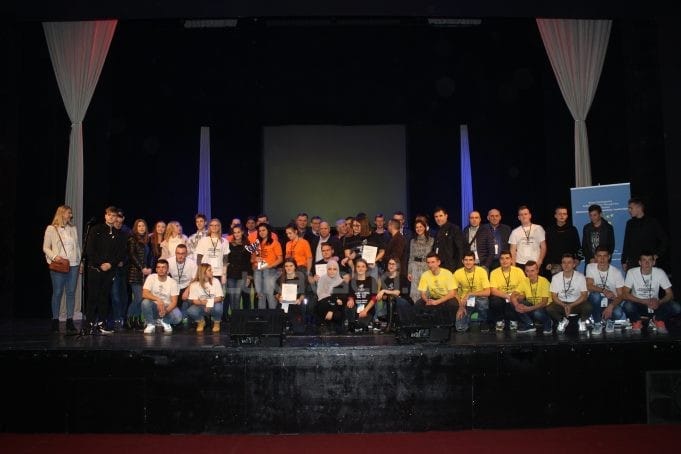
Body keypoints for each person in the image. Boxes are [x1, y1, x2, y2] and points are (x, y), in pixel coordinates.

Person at [83, 206, 127, 335]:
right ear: (105, 216)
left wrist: (110, 264)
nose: (111, 217)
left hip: (109, 270)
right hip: (95, 269)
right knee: (92, 297)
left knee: (104, 297)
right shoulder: (95, 230)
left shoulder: (120, 234)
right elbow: (90, 250)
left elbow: (120, 254)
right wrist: (100, 263)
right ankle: (89, 324)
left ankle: (102, 323)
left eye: (114, 215)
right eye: (109, 215)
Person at [43, 204, 81, 334]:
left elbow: (77, 246)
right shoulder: (51, 229)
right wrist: (54, 257)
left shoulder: (73, 229)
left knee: (71, 292)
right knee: (58, 292)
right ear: (62, 213)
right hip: (59, 265)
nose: (71, 215)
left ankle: (70, 320)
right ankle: (55, 321)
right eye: (69, 213)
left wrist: (80, 262)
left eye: (71, 213)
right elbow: (45, 247)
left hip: (73, 265)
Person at [396, 252, 458, 333]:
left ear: (438, 262)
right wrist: (427, 300)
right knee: (418, 304)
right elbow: (423, 293)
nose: (430, 265)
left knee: (453, 304)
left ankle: (450, 327)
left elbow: (452, 293)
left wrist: (437, 302)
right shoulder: (425, 275)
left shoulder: (447, 273)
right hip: (433, 297)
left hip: (446, 298)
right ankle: (418, 327)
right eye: (428, 262)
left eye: (433, 262)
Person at [622, 252, 680, 334]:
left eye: (649, 260)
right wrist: (643, 301)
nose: (647, 263)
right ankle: (637, 322)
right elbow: (625, 294)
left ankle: (658, 319)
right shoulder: (632, 272)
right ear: (639, 262)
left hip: (655, 305)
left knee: (676, 307)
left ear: (654, 262)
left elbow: (670, 294)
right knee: (627, 305)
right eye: (644, 260)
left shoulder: (660, 272)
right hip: (639, 304)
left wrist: (659, 302)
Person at [621, 197, 669, 273]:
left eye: (631, 208)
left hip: (648, 261)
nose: (629, 210)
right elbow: (626, 243)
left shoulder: (652, 222)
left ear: (639, 207)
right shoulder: (629, 223)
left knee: (650, 280)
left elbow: (664, 240)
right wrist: (623, 261)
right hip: (633, 262)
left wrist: (657, 254)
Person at [585, 246, 626, 335]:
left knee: (618, 312)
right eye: (599, 256)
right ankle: (597, 323)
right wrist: (604, 290)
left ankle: (610, 321)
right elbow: (589, 286)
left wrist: (611, 306)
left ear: (609, 257)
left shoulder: (616, 272)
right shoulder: (590, 267)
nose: (602, 259)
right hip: (595, 301)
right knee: (595, 295)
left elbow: (621, 295)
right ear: (595, 257)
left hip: (610, 301)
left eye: (605, 256)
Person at [547, 253, 589, 334]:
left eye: (569, 262)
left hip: (576, 303)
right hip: (562, 303)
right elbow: (554, 297)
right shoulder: (555, 277)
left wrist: (571, 305)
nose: (566, 265)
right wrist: (564, 305)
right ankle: (562, 321)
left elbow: (584, 296)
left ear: (574, 264)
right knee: (550, 308)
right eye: (564, 262)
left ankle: (582, 321)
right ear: (561, 264)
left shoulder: (580, 277)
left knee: (588, 306)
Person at [510, 261, 553, 334]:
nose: (530, 273)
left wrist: (528, 309)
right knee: (514, 302)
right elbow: (513, 295)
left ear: (537, 270)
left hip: (544, 307)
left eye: (532, 270)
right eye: (527, 271)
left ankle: (548, 321)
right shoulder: (524, 281)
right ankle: (530, 325)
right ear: (525, 272)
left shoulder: (544, 281)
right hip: (532, 306)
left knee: (537, 313)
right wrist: (517, 305)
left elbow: (544, 302)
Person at [141, 258, 183, 334]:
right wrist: (158, 299)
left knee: (178, 317)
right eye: (159, 267)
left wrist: (165, 311)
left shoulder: (173, 282)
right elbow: (144, 294)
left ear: (167, 270)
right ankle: (150, 324)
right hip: (155, 306)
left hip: (167, 307)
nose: (161, 269)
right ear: (156, 269)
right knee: (145, 302)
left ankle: (164, 321)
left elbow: (174, 302)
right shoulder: (151, 277)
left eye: (163, 267)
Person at [126, 218, 154, 330]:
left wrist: (150, 268)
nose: (142, 228)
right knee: (138, 298)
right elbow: (132, 255)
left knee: (142, 299)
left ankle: (137, 320)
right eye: (139, 226)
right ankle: (128, 319)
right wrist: (141, 268)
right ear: (136, 228)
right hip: (135, 273)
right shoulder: (132, 239)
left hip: (146, 274)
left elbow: (151, 256)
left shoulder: (148, 240)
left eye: (143, 226)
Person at [453, 251, 491, 332]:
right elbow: (453, 292)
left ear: (474, 261)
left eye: (470, 260)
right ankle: (470, 319)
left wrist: (471, 294)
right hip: (464, 301)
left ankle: (483, 321)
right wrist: (460, 306)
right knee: (460, 328)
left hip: (479, 298)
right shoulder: (457, 273)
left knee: (483, 301)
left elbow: (488, 292)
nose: (468, 262)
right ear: (462, 261)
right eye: (466, 260)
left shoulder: (481, 271)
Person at [488, 251, 526, 332]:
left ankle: (514, 320)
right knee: (495, 301)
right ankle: (499, 321)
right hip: (502, 296)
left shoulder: (519, 271)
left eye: (507, 258)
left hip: (515, 296)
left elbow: (524, 288)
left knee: (519, 299)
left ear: (511, 260)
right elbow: (493, 290)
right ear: (499, 260)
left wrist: (518, 296)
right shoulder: (494, 272)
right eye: (502, 258)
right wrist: (508, 296)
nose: (504, 261)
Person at [250, 223, 283, 309]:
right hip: (258, 271)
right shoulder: (256, 244)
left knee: (269, 294)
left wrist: (269, 266)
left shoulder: (275, 243)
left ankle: (273, 315)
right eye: (260, 231)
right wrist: (255, 259)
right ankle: (262, 316)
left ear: (268, 231)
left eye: (263, 230)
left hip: (270, 270)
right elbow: (252, 259)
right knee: (260, 295)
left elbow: (280, 259)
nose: (261, 232)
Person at [544, 205, 581, 277]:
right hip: (555, 264)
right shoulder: (549, 230)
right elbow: (547, 247)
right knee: (557, 283)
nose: (562, 216)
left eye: (564, 214)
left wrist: (578, 259)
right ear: (555, 215)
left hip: (570, 263)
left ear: (567, 216)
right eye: (560, 214)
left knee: (571, 283)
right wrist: (547, 262)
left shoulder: (572, 229)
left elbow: (578, 246)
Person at [186, 263, 225, 333]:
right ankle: (201, 321)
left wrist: (209, 303)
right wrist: (204, 303)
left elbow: (220, 298)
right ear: (203, 272)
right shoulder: (194, 284)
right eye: (209, 270)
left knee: (218, 307)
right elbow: (194, 301)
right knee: (190, 311)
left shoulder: (216, 281)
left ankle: (217, 322)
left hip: (213, 305)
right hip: (201, 306)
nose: (212, 271)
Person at [196, 218, 230, 293]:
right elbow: (199, 259)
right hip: (205, 272)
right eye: (212, 225)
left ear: (219, 227)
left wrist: (224, 274)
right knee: (206, 295)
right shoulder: (203, 240)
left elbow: (225, 259)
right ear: (209, 227)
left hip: (218, 273)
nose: (214, 227)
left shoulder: (225, 241)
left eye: (216, 225)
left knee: (218, 295)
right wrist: (199, 273)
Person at [110, 210, 131, 331]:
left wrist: (124, 260)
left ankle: (122, 317)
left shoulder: (126, 232)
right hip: (113, 268)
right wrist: (115, 261)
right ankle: (117, 318)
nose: (118, 223)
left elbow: (129, 251)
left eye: (120, 222)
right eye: (116, 221)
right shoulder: (109, 232)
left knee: (124, 295)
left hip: (124, 268)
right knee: (115, 294)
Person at [376, 258, 410, 332]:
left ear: (397, 266)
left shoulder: (402, 277)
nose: (391, 266)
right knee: (380, 313)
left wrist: (384, 291)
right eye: (389, 264)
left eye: (393, 264)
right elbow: (384, 296)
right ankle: (391, 324)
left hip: (403, 302)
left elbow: (397, 293)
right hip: (390, 303)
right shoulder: (385, 278)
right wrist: (382, 296)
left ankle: (389, 326)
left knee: (391, 297)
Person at [345, 258, 378, 333]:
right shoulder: (352, 281)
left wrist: (365, 310)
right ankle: (351, 323)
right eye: (358, 266)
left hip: (367, 309)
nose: (360, 268)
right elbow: (350, 295)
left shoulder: (372, 280)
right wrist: (351, 299)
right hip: (355, 308)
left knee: (361, 324)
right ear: (355, 268)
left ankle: (361, 323)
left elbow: (374, 298)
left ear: (366, 268)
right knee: (348, 305)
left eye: (363, 266)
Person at [314, 260, 348, 333]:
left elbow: (343, 299)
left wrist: (331, 310)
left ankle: (331, 325)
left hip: (336, 308)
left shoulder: (342, 282)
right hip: (324, 305)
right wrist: (335, 299)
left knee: (338, 312)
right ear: (326, 270)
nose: (332, 271)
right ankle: (325, 325)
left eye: (334, 269)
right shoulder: (322, 279)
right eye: (329, 269)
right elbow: (320, 294)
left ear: (338, 270)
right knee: (322, 304)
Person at [509, 205, 546, 270]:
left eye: (525, 214)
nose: (524, 216)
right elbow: (512, 250)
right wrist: (514, 267)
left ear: (530, 215)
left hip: (535, 263)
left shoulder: (538, 228)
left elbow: (543, 247)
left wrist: (540, 261)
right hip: (520, 264)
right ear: (519, 217)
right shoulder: (515, 232)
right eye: (521, 215)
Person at [275, 258, 307, 333]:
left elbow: (303, 293)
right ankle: (287, 325)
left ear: (295, 267)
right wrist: (279, 298)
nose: (288, 268)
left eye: (291, 266)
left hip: (296, 303)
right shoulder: (281, 278)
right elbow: (276, 293)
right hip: (284, 303)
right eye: (286, 266)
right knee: (278, 328)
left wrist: (299, 300)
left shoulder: (300, 277)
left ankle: (291, 324)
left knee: (299, 330)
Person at [226, 224, 254, 312]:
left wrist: (249, 276)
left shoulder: (248, 246)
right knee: (231, 296)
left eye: (238, 232)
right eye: (235, 232)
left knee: (237, 296)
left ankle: (237, 317)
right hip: (231, 273)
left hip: (243, 274)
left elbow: (249, 262)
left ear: (242, 232)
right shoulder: (229, 245)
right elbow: (226, 259)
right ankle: (234, 316)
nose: (236, 234)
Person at [167, 243, 197, 319]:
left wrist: (187, 290)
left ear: (186, 254)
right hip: (173, 287)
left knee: (189, 299)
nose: (180, 256)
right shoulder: (169, 262)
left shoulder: (192, 263)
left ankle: (186, 317)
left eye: (183, 253)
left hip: (186, 286)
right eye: (178, 253)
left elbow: (194, 279)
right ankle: (175, 316)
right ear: (175, 253)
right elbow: (165, 277)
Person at [407, 217, 434, 302]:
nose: (419, 229)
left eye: (420, 227)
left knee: (426, 290)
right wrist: (409, 271)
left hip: (427, 267)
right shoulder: (412, 241)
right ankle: (416, 308)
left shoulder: (431, 240)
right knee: (416, 292)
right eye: (417, 227)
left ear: (425, 227)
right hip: (415, 267)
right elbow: (411, 257)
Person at [431, 206, 465, 273]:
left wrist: (459, 268)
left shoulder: (454, 229)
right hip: (440, 267)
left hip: (452, 268)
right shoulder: (437, 231)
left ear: (446, 216)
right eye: (436, 216)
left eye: (441, 216)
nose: (438, 218)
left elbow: (460, 249)